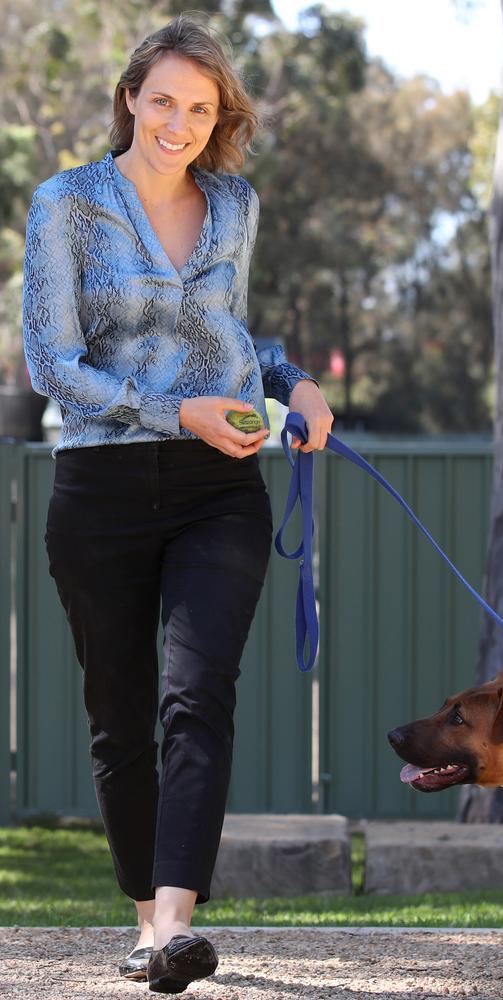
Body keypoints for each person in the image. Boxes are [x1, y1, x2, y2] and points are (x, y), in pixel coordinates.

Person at [22, 13, 333, 995]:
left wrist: (294, 382)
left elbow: (227, 329)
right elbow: (50, 365)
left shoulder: (233, 204)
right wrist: (175, 409)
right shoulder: (67, 204)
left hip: (218, 489)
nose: (179, 122)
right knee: (119, 720)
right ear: (128, 99)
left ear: (217, 116)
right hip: (100, 487)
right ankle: (143, 919)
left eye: (199, 107)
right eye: (163, 101)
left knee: (196, 698)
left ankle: (170, 931)